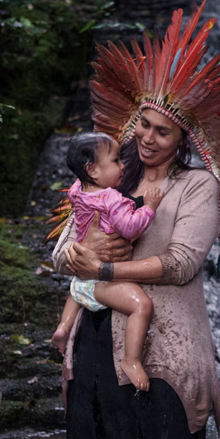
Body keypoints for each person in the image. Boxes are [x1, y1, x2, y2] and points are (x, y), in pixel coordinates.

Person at [50, 0, 220, 439]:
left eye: (163, 132)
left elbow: (181, 265)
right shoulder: (108, 180)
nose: (149, 139)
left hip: (163, 346)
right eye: (144, 127)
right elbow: (63, 250)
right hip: (93, 342)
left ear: (184, 139)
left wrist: (106, 264)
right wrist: (77, 256)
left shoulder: (197, 186)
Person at [50, 131, 165, 391]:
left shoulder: (77, 190)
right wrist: (149, 207)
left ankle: (63, 328)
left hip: (81, 279)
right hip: (101, 279)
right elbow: (130, 229)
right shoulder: (111, 197)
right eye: (115, 161)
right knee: (142, 306)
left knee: (77, 291)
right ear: (92, 170)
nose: (123, 165)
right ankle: (131, 360)